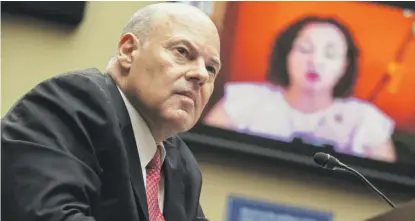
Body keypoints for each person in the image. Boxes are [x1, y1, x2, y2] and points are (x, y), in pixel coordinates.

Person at [1, 3, 221, 221]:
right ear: (128, 51)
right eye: (182, 52)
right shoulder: (70, 106)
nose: (201, 74)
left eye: (211, 68)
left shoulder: (180, 164)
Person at [204, 16, 396, 163]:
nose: (315, 61)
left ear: (345, 66)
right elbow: (201, 157)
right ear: (286, 54)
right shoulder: (244, 100)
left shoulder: (365, 119)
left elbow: (386, 193)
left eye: (330, 54)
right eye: (304, 49)